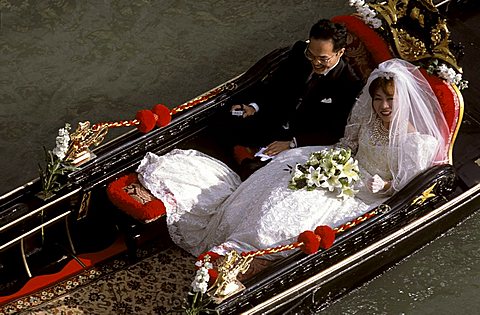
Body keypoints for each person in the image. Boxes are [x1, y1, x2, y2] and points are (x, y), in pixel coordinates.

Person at [136, 59, 449, 266]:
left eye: (389, 101)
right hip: (340, 169)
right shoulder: (367, 118)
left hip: (367, 194)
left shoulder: (417, 142)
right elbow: (347, 144)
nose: (381, 106)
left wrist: (386, 185)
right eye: (378, 99)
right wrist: (331, 162)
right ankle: (232, 231)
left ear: (403, 102)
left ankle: (249, 250)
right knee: (280, 174)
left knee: (295, 206)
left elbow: (409, 190)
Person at [220, 19, 363, 169]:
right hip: (273, 119)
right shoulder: (299, 52)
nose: (315, 63)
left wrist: (292, 143)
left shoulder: (350, 83)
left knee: (259, 168)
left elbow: (335, 130)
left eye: (323, 58)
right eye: (311, 55)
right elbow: (275, 84)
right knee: (224, 119)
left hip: (301, 138)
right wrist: (253, 106)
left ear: (340, 52)